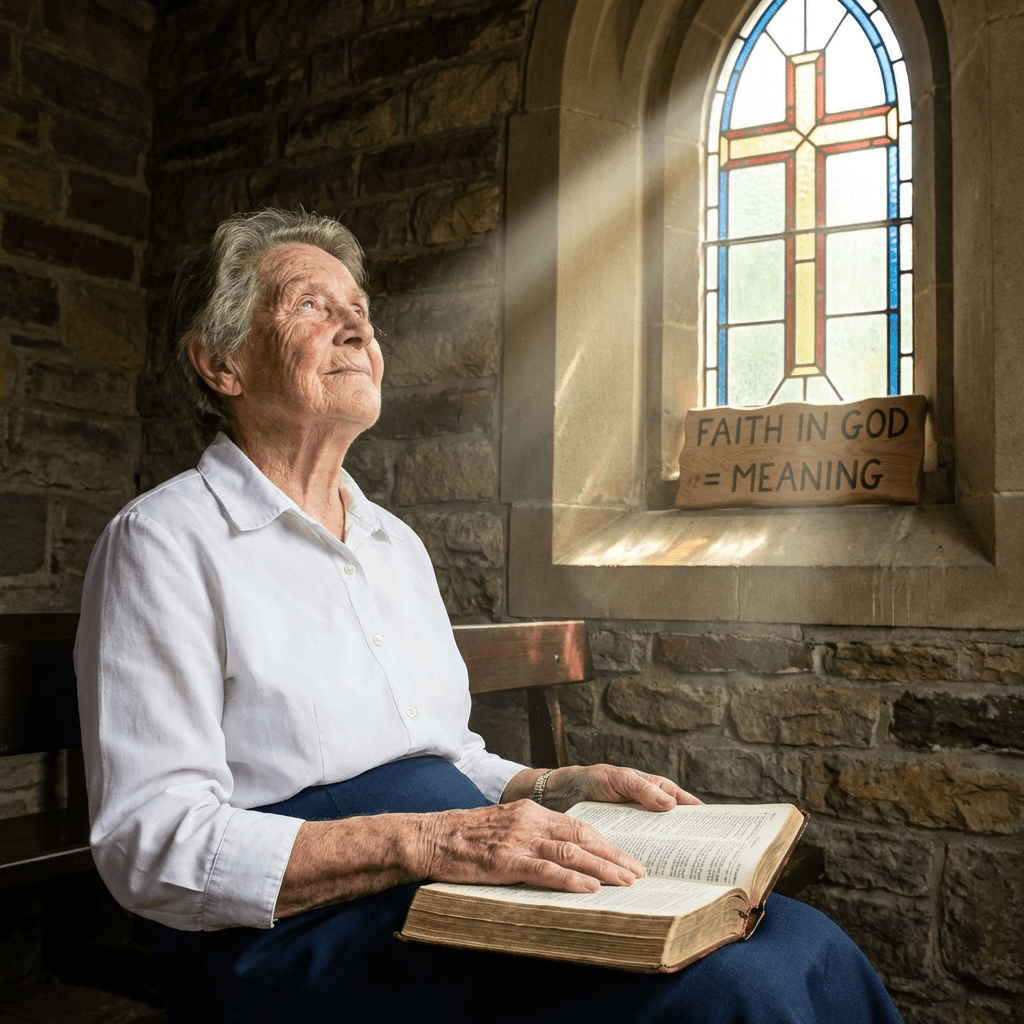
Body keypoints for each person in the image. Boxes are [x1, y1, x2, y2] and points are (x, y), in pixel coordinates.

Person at [75, 209, 904, 1024]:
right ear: (221, 363)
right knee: (728, 993)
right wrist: (426, 842)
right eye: (311, 305)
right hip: (293, 931)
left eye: (359, 309)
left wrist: (551, 786)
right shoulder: (163, 543)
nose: (355, 325)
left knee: (803, 944)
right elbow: (149, 842)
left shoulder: (392, 543)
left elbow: (439, 753)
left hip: (449, 878)